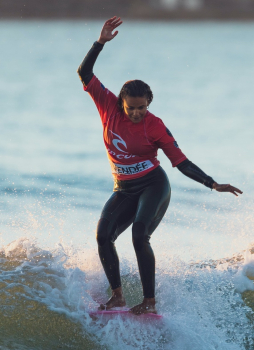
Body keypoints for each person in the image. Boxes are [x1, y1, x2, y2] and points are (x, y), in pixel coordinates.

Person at [78, 16, 243, 315]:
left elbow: (180, 162)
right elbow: (84, 71)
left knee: (139, 235)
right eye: (133, 108)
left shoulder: (155, 126)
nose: (138, 113)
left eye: (143, 107)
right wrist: (100, 42)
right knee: (103, 236)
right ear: (122, 103)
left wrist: (213, 183)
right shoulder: (107, 106)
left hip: (154, 185)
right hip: (124, 189)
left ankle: (150, 302)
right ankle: (117, 296)